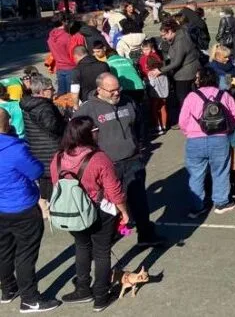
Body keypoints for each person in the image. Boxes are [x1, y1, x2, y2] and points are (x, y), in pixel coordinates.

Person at [50, 117, 129, 312]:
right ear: (88, 134)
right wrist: (124, 212)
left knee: (81, 246)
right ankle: (101, 296)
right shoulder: (99, 158)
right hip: (98, 210)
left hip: (72, 212)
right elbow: (114, 190)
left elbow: (55, 183)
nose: (98, 132)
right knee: (101, 251)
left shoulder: (58, 157)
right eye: (95, 129)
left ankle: (83, 288)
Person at [75, 73, 162, 247]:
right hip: (107, 165)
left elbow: (139, 124)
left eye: (118, 89)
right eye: (112, 90)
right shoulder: (87, 109)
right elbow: (78, 137)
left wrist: (139, 145)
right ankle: (111, 236)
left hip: (133, 160)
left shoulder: (128, 102)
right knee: (110, 203)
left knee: (139, 200)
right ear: (100, 89)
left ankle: (145, 235)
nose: (117, 93)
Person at [0, 109, 59, 313]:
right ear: (7, 124)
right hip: (22, 207)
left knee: (4, 250)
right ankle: (30, 299)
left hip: (2, 208)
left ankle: (8, 289)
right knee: (25, 254)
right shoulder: (15, 149)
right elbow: (35, 170)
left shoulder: (13, 148)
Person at [179, 68, 235, 217]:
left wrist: (189, 132)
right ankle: (221, 202)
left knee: (196, 174)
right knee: (220, 171)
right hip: (220, 139)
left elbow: (182, 121)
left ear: (200, 80)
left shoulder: (191, 96)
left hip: (195, 140)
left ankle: (197, 206)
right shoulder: (224, 95)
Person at [20, 76, 63, 202]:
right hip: (51, 152)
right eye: (51, 89)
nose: (54, 91)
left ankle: (49, 207)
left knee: (46, 188)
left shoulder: (29, 105)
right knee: (56, 191)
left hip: (38, 151)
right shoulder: (44, 107)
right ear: (42, 91)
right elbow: (53, 126)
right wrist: (65, 123)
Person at [149, 18, 201, 108]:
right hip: (189, 69)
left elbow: (177, 62)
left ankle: (186, 113)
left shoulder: (180, 41)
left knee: (183, 98)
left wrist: (160, 70)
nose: (163, 38)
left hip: (185, 74)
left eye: (164, 35)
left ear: (170, 31)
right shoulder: (181, 33)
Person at [47, 14, 76, 95]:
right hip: (71, 66)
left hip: (59, 67)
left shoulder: (51, 37)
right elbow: (73, 52)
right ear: (63, 22)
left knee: (62, 94)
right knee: (72, 94)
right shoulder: (67, 37)